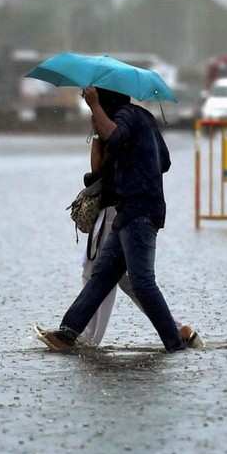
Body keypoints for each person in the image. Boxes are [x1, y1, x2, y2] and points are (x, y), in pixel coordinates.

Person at [38, 87, 192, 353]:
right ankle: (67, 334)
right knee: (102, 276)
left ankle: (175, 341)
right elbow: (164, 161)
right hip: (128, 211)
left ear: (106, 99)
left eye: (98, 99)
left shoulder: (127, 117)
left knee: (142, 282)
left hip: (140, 212)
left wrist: (95, 106)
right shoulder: (142, 118)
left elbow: (116, 136)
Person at [79, 132, 203, 348]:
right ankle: (175, 328)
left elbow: (98, 170)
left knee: (99, 272)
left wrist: (97, 137)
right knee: (121, 276)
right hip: (125, 209)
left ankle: (86, 337)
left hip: (116, 210)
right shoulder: (128, 126)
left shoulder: (113, 127)